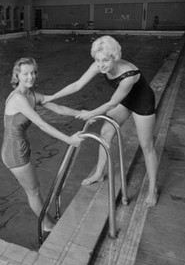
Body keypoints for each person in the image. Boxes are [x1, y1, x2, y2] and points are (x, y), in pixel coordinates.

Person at [44, 35, 159, 206]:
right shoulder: (98, 65)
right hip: (125, 100)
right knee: (105, 131)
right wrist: (52, 96)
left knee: (146, 146)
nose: (101, 65)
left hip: (142, 102)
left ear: (115, 57)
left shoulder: (129, 74)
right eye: (98, 60)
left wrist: (91, 113)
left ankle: (152, 189)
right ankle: (99, 173)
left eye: (105, 60)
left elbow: (112, 103)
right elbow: (77, 85)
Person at [3, 57, 83, 231]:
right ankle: (46, 225)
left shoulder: (31, 95)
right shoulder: (18, 99)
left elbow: (59, 108)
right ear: (17, 75)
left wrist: (83, 113)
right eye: (25, 74)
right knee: (33, 192)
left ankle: (46, 221)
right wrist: (69, 139)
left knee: (35, 189)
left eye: (32, 73)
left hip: (21, 148)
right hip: (14, 153)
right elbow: (42, 124)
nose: (30, 77)